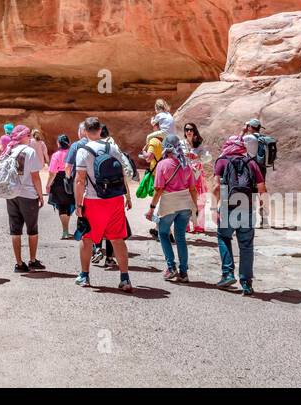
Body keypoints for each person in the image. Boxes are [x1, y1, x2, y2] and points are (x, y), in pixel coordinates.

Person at [73, 117, 133, 291]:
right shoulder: (112, 147)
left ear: (85, 131)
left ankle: (84, 276)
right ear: (100, 130)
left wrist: (78, 204)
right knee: (117, 239)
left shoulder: (83, 150)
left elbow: (79, 180)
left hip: (94, 200)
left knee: (87, 238)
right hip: (114, 199)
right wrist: (126, 196)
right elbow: (122, 174)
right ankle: (125, 278)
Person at [213, 133, 268, 295]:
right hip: (247, 207)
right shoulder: (251, 163)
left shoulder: (222, 161)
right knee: (246, 245)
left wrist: (214, 207)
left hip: (227, 206)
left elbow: (216, 187)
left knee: (224, 237)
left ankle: (228, 273)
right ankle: (246, 283)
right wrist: (262, 205)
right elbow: (262, 187)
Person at [146, 135, 199, 281]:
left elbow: (158, 189)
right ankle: (183, 272)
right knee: (180, 237)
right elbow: (193, 189)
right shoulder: (186, 164)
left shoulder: (163, 164)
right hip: (185, 204)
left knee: (163, 234)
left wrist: (151, 208)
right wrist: (195, 206)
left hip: (169, 203)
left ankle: (171, 267)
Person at [1, 125, 45, 273]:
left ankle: (19, 263)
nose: (30, 138)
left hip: (12, 194)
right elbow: (35, 177)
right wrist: (40, 194)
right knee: (32, 229)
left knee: (15, 230)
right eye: (28, 135)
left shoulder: (9, 151)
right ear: (24, 136)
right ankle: (32, 260)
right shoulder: (29, 152)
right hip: (28, 194)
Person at [47, 134, 74, 239]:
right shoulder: (73, 154)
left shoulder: (56, 155)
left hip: (58, 180)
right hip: (71, 179)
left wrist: (48, 185)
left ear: (58, 143)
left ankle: (65, 231)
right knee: (69, 206)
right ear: (69, 143)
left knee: (62, 207)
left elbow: (52, 173)